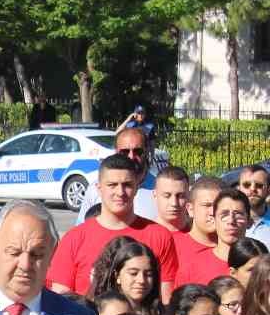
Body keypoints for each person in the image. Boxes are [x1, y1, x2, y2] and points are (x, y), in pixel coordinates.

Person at [49, 154, 178, 302]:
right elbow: (61, 300)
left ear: (137, 187)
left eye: (127, 185)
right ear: (99, 188)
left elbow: (165, 300)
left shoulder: (159, 236)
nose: (120, 192)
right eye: (112, 185)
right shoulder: (75, 237)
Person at [77, 127, 159, 223]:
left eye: (138, 151)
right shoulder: (97, 189)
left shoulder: (161, 189)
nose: (131, 156)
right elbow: (82, 229)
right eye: (125, 152)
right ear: (116, 152)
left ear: (146, 151)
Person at [178, 187, 249, 287]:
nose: (231, 221)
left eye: (238, 214)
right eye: (224, 215)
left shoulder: (261, 264)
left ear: (249, 221)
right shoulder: (192, 266)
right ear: (214, 219)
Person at [152, 165, 191, 236]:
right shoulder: (143, 237)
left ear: (189, 196)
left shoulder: (202, 235)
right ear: (155, 195)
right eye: (167, 196)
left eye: (181, 196)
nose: (174, 203)